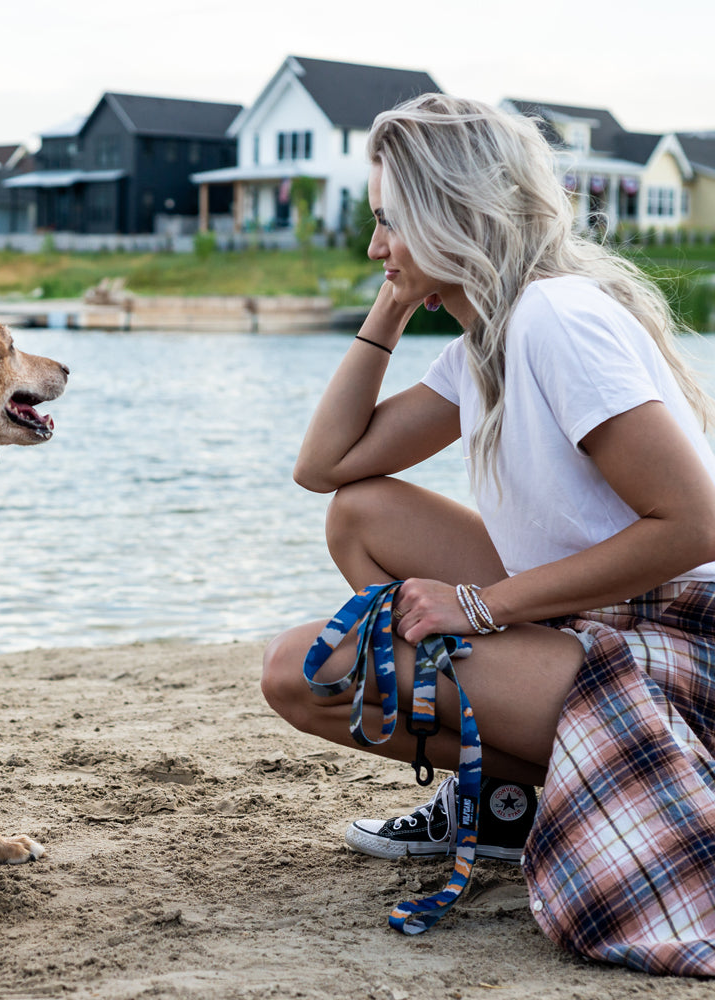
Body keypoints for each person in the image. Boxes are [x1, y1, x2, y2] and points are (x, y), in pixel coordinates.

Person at [261, 94, 715, 976]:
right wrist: (389, 310)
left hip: (684, 641)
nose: (374, 245)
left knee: (302, 669)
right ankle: (505, 807)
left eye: (390, 222)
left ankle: (530, 788)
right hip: (603, 619)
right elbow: (327, 468)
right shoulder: (485, 342)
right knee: (361, 513)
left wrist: (481, 605)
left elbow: (695, 523)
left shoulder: (557, 319)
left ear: (446, 212)